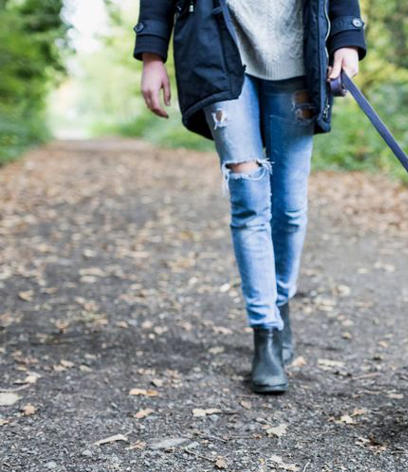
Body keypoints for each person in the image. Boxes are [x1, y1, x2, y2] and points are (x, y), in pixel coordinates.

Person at [133, 0, 366, 394]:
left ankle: (279, 301)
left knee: (289, 209)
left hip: (298, 59)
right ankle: (267, 334)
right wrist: (152, 54)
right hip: (218, 51)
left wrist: (346, 36)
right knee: (248, 201)